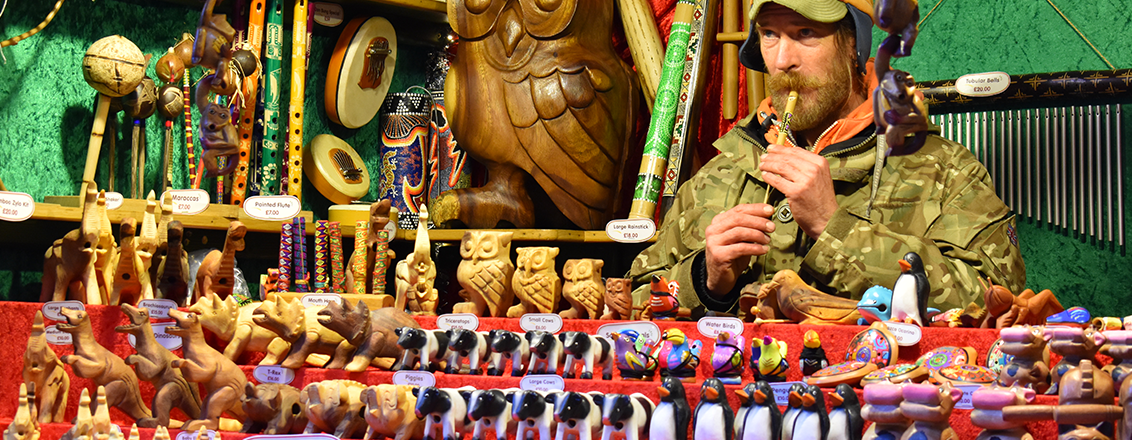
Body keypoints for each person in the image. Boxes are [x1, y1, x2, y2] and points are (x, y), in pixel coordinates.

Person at [628, 0, 1025, 316]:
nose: (783, 61)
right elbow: (630, 304)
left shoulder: (944, 170)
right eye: (769, 34)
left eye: (805, 33)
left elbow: (998, 302)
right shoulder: (721, 172)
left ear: (854, 44)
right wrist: (707, 279)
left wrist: (833, 228)